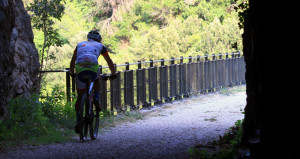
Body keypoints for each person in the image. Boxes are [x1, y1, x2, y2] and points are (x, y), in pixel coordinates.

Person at [70, 30, 116, 133]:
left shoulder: (80, 45)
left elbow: (73, 60)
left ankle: (78, 120)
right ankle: (96, 97)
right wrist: (113, 73)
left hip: (80, 66)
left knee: (80, 96)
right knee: (96, 78)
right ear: (99, 39)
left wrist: (72, 72)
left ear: (88, 38)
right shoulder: (101, 46)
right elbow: (109, 61)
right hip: (93, 65)